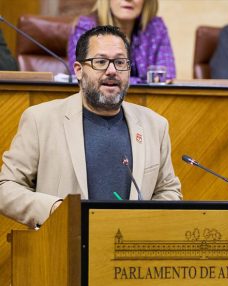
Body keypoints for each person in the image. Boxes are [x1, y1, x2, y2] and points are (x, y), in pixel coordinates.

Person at [0, 25, 182, 230]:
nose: (112, 71)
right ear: (78, 70)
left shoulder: (155, 125)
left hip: (128, 252)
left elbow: (168, 190)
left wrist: (143, 223)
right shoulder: (40, 120)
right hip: (63, 249)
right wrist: (58, 212)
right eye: (101, 62)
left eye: (120, 62)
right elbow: (6, 188)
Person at [68, 0, 176, 84]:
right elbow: (84, 76)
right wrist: (144, 81)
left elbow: (167, 76)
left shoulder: (155, 27)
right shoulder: (86, 28)